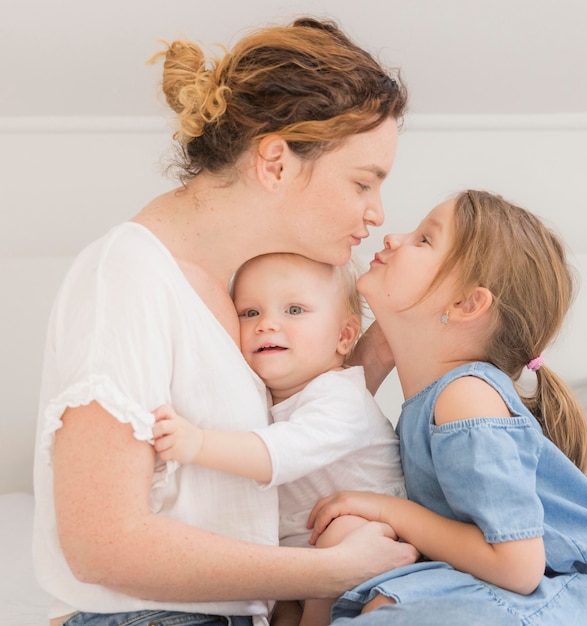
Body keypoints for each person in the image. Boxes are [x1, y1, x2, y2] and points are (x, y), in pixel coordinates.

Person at [32, 17, 418, 626]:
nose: (376, 213)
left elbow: (319, 417)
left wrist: (400, 314)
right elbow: (100, 544)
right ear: (275, 163)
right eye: (362, 182)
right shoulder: (129, 274)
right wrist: (332, 571)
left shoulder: (236, 294)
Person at [308, 190, 587, 624]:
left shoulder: (467, 397)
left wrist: (389, 511)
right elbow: (330, 409)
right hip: (508, 583)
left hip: (570, 595)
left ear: (466, 304)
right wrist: (385, 335)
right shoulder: (436, 396)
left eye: (423, 240)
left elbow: (517, 565)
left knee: (387, 608)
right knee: (378, 591)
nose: (393, 238)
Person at [152, 252, 407, 626]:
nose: (267, 324)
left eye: (294, 310)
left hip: (377, 552)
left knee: (345, 530)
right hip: (301, 563)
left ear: (344, 336)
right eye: (250, 313)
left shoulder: (341, 396)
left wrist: (198, 444)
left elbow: (281, 453)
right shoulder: (257, 399)